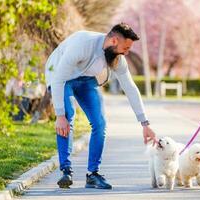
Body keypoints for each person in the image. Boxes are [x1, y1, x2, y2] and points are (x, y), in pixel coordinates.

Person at [45, 23, 157, 189]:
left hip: (86, 80)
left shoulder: (118, 59)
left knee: (100, 123)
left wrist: (145, 123)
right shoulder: (82, 44)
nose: (126, 53)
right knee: (68, 117)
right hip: (61, 78)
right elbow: (58, 78)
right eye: (125, 48)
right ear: (113, 41)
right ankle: (66, 171)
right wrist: (60, 115)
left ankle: (93, 174)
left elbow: (130, 88)